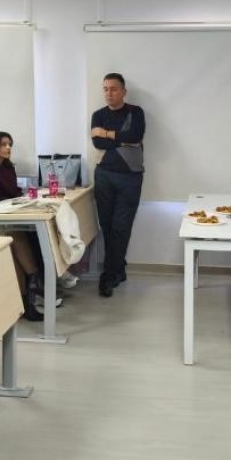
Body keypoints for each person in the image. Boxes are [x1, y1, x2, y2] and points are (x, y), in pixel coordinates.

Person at [90, 72, 145, 298]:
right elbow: (97, 142)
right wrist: (123, 139)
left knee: (121, 226)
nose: (108, 93)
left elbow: (136, 135)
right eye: (105, 89)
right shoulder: (98, 115)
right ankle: (118, 269)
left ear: (123, 91)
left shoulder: (135, 112)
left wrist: (108, 134)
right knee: (107, 225)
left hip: (130, 176)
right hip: (104, 175)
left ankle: (109, 275)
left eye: (113, 89)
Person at [0, 130, 46, 322]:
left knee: (28, 236)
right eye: (4, 144)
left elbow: (14, 192)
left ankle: (33, 289)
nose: (8, 148)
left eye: (10, 144)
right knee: (15, 239)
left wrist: (23, 199)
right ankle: (33, 285)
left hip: (9, 211)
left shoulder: (8, 167)